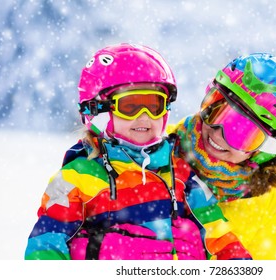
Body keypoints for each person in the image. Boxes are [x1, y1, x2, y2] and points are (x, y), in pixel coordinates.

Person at [24, 43, 209, 260]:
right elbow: (46, 245)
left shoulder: (181, 172)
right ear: (97, 110)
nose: (144, 116)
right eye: (130, 106)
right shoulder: (76, 178)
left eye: (154, 104)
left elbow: (219, 237)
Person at [168, 52, 276, 259]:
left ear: (265, 151)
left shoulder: (266, 198)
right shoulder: (153, 152)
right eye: (215, 109)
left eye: (241, 132)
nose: (217, 132)